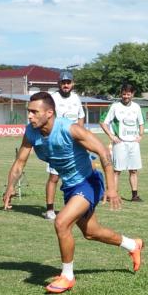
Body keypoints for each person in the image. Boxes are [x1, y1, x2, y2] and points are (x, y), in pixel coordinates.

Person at [2, 92, 143, 294]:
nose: (30, 116)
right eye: (29, 112)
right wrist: (10, 186)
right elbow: (20, 162)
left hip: (88, 182)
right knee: (91, 232)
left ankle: (67, 276)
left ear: (49, 113)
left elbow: (103, 152)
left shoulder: (70, 129)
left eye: (34, 112)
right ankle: (132, 244)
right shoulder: (31, 132)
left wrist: (112, 189)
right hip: (70, 187)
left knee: (61, 222)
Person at [43, 70, 86, 220]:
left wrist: (81, 138)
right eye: (63, 82)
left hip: (74, 145)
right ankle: (49, 210)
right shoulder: (52, 98)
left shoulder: (76, 98)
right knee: (54, 177)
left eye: (68, 82)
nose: (66, 85)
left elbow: (80, 117)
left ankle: (74, 207)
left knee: (76, 176)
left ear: (73, 83)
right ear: (58, 83)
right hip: (56, 145)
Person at [100, 84, 145, 202]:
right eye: (124, 94)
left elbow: (141, 122)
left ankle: (135, 195)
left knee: (134, 170)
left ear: (132, 94)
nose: (126, 96)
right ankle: (112, 194)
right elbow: (103, 122)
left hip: (133, 144)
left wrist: (140, 135)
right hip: (120, 143)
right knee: (117, 170)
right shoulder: (114, 106)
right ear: (121, 94)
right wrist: (112, 136)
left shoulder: (136, 107)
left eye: (128, 94)